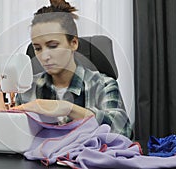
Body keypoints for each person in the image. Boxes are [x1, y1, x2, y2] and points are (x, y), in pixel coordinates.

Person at [11, 0, 132, 138]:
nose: (44, 56)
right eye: (38, 48)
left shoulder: (103, 85)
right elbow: (16, 137)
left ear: (73, 43)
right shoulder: (26, 90)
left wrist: (68, 109)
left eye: (53, 46)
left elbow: (123, 134)